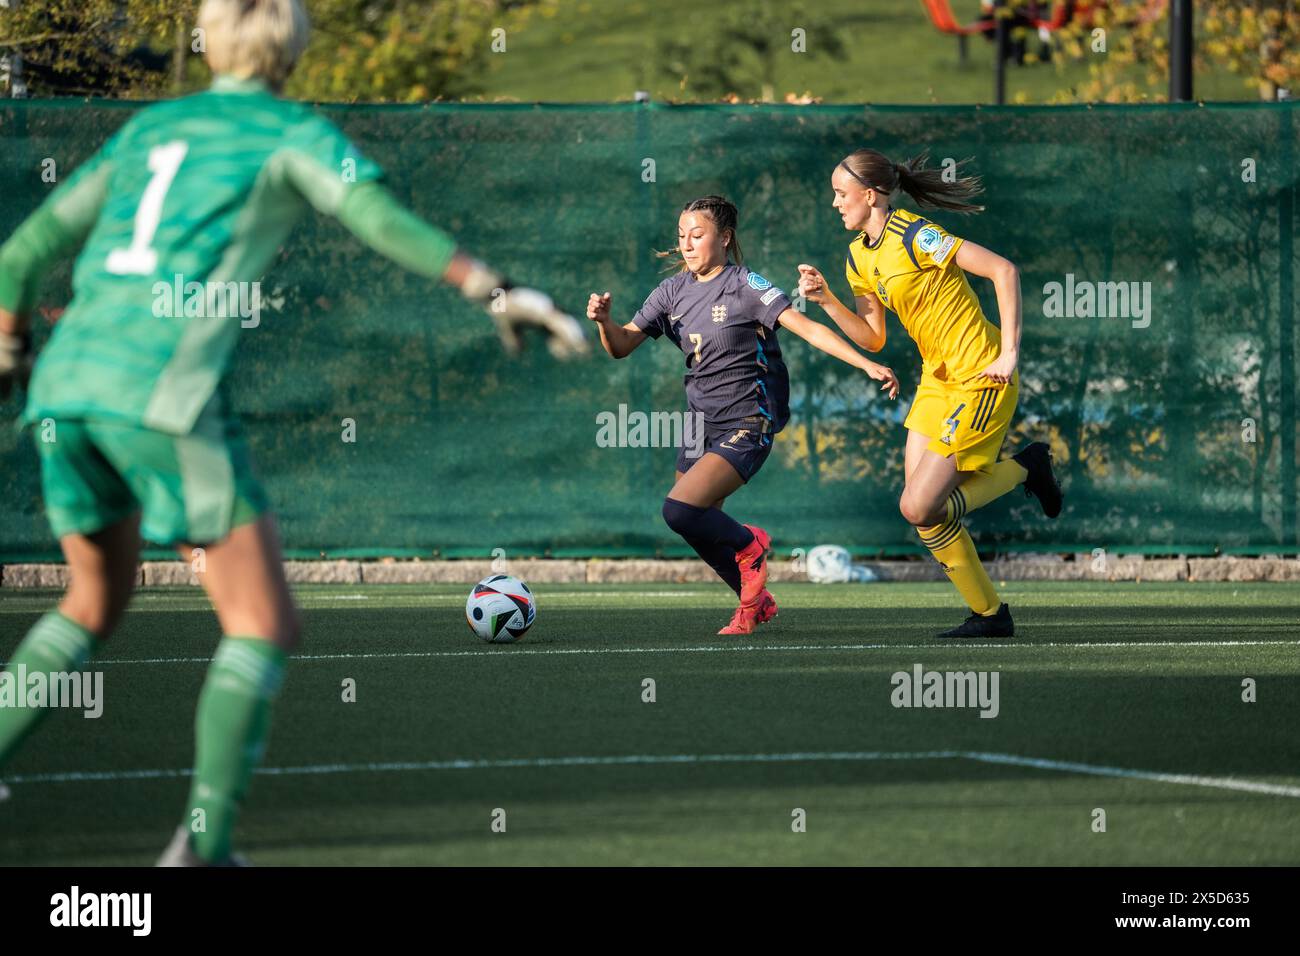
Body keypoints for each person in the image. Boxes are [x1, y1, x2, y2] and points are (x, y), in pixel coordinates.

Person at [0, 0, 587, 864]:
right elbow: (376, 218)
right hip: (162, 395)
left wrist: (12, 347)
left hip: (64, 392)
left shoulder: (152, 130)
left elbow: (20, 252)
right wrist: (493, 288)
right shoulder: (286, 132)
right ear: (294, 47)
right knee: (262, 625)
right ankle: (204, 847)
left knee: (89, 602)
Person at [587, 195, 899, 635]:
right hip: (699, 423)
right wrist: (604, 321)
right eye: (681, 237)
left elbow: (806, 326)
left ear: (725, 238)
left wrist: (865, 363)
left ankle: (750, 544)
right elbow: (620, 347)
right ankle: (756, 602)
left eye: (698, 235)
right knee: (695, 522)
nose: (687, 245)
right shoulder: (670, 291)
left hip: (748, 419)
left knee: (679, 510)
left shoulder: (745, 285)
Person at [797, 149, 1061, 638]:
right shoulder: (858, 256)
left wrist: (1009, 354)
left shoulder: (916, 234)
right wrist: (827, 300)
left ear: (870, 195)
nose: (834, 203)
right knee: (922, 512)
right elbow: (874, 337)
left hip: (983, 376)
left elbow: (1004, 271)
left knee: (920, 506)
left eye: (840, 193)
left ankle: (1028, 466)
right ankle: (990, 616)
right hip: (937, 384)